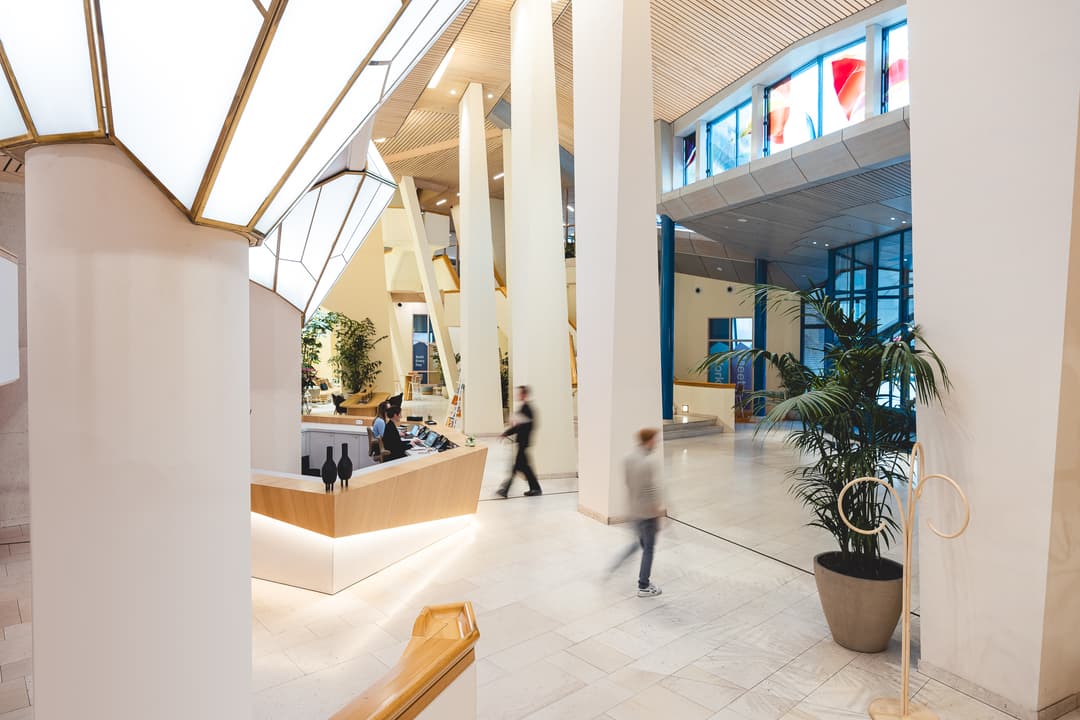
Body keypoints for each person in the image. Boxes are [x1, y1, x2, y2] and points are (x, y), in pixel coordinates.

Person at [609, 428, 664, 597]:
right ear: (648, 441)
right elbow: (649, 490)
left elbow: (628, 483)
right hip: (646, 513)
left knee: (639, 544)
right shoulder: (647, 463)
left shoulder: (628, 458)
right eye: (655, 440)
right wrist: (657, 511)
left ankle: (617, 565)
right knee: (648, 548)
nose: (656, 443)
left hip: (633, 510)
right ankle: (644, 585)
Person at [497, 386, 541, 498]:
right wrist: (506, 433)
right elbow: (518, 426)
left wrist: (507, 432)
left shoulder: (527, 408)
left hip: (523, 443)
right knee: (525, 467)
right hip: (523, 443)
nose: (517, 395)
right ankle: (535, 488)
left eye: (519, 393)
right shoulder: (524, 408)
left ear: (524, 394)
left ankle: (505, 490)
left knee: (516, 467)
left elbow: (522, 427)